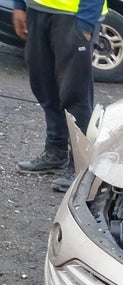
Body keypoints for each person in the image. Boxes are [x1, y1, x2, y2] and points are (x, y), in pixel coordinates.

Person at [12, 0, 107, 192]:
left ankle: (81, 165)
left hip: (74, 16)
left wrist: (86, 23)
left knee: (75, 94)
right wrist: (19, 5)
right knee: (44, 86)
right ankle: (56, 152)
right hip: (37, 10)